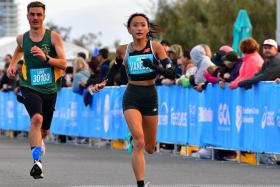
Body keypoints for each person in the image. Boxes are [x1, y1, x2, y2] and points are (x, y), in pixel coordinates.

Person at [89, 13, 175, 187]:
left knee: (150, 148)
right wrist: (104, 82)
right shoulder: (123, 49)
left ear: (147, 28)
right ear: (129, 29)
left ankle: (135, 137)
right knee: (139, 141)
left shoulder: (156, 47)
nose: (139, 28)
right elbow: (115, 69)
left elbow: (172, 73)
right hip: (132, 94)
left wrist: (154, 66)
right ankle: (140, 184)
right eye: (135, 25)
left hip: (150, 96)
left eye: (143, 25)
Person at [6, 1, 67, 179]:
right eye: (32, 14)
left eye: (39, 14)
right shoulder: (22, 38)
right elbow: (18, 49)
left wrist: (46, 58)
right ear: (27, 16)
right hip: (29, 86)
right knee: (36, 119)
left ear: (43, 17)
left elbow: (63, 63)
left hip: (50, 89)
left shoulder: (53, 37)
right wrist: (12, 64)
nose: (35, 18)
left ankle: (40, 143)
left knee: (45, 130)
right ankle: (37, 162)